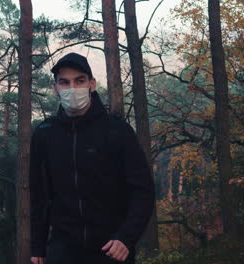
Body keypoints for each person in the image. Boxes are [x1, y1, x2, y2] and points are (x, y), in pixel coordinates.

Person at [29, 52, 155, 264]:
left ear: (92, 84)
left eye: (79, 81)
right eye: (64, 82)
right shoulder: (44, 133)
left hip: (111, 250)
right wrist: (38, 247)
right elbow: (39, 196)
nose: (72, 89)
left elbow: (143, 190)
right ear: (55, 88)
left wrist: (126, 238)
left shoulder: (117, 131)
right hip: (62, 251)